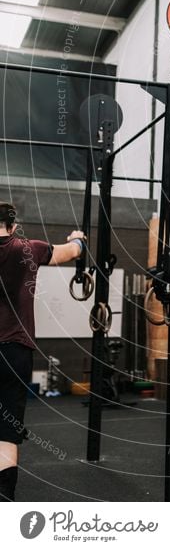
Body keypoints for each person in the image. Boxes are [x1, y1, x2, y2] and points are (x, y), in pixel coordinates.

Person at [0, 202, 86, 502]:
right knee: (7, 431)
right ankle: (4, 498)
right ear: (12, 226)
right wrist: (77, 238)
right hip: (15, 352)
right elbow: (72, 251)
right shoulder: (29, 248)